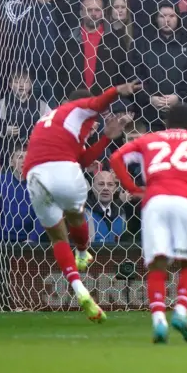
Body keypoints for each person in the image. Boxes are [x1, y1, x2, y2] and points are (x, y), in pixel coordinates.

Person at [109, 103, 187, 344]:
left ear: (166, 123)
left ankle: (159, 320)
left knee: (157, 263)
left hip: (154, 201)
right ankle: (180, 312)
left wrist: (133, 188)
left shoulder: (149, 139)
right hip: (185, 198)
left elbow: (116, 157)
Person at [23, 81, 140, 323]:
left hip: (34, 175)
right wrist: (117, 90)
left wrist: (106, 138)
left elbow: (83, 157)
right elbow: (97, 103)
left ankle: (79, 290)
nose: (95, 121)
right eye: (94, 118)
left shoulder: (50, 121)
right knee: (77, 214)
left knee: (58, 236)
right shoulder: (77, 108)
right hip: (63, 170)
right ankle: (84, 252)